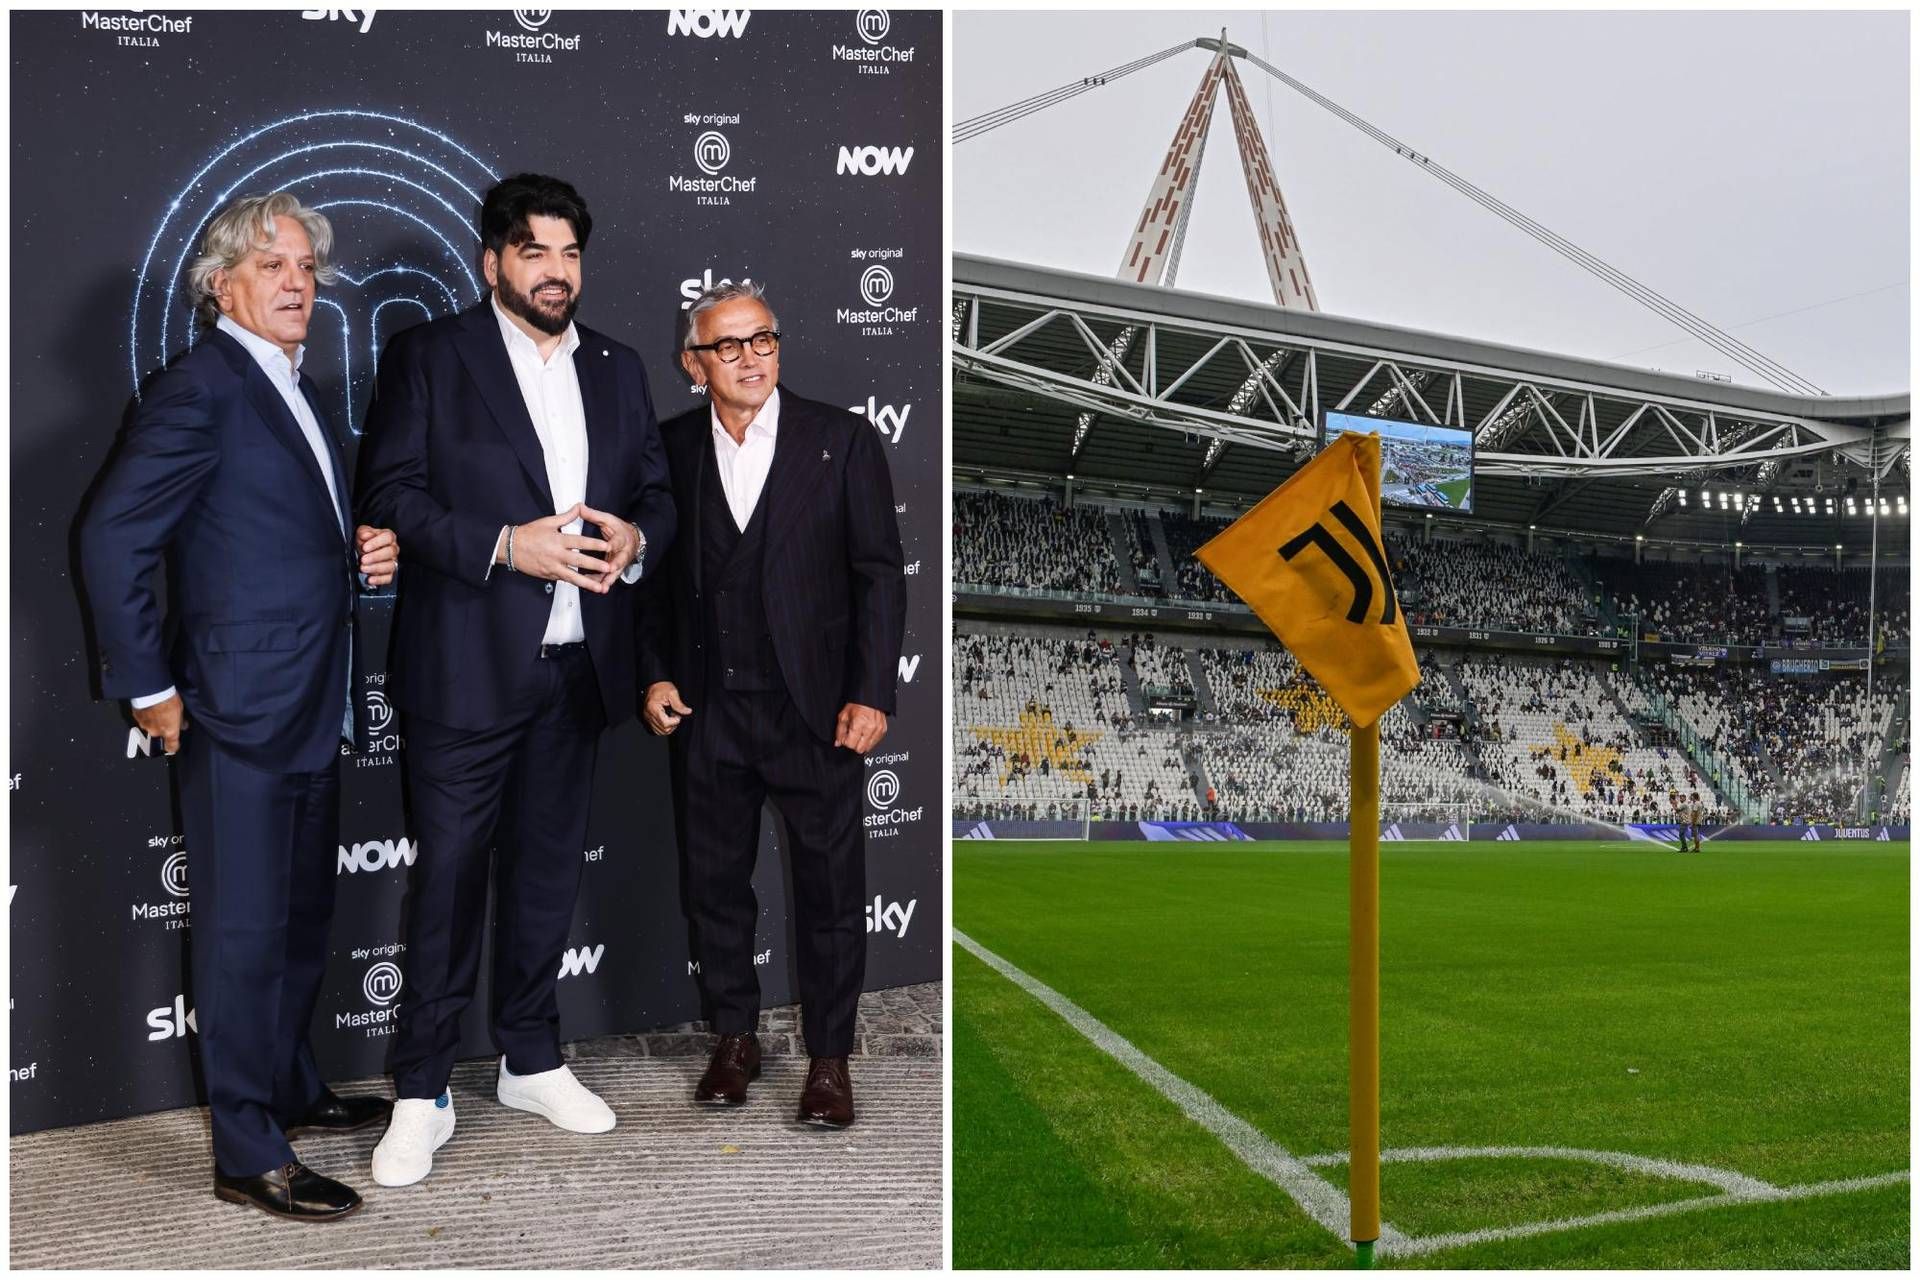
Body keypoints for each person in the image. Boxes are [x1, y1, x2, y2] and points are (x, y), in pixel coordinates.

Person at [79, 192, 399, 1221]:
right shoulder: (202, 385)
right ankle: (247, 1148)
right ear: (222, 285)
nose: (298, 281)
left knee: (301, 918)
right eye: (272, 266)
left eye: (307, 265)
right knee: (241, 932)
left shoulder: (291, 383)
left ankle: (292, 1081)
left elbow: (278, 532)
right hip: (237, 707)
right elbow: (113, 536)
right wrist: (148, 684)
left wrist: (361, 554)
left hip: (312, 698)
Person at [355, 174, 675, 1186]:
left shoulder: (621, 367)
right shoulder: (429, 355)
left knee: (544, 878)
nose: (555, 271)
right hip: (462, 669)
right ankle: (421, 1087)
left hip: (577, 672)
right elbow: (391, 493)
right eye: (535, 251)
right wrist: (503, 544)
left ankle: (532, 1057)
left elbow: (657, 496)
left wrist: (635, 536)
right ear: (493, 257)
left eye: (570, 252)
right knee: (446, 882)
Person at [640, 280, 905, 1128]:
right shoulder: (669, 449)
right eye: (729, 346)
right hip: (708, 711)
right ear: (694, 363)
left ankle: (829, 1058)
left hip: (816, 711)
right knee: (715, 887)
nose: (751, 358)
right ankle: (735, 1039)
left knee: (831, 892)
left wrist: (872, 691)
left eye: (764, 340)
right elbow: (645, 583)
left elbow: (879, 576)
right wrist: (653, 674)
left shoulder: (844, 440)